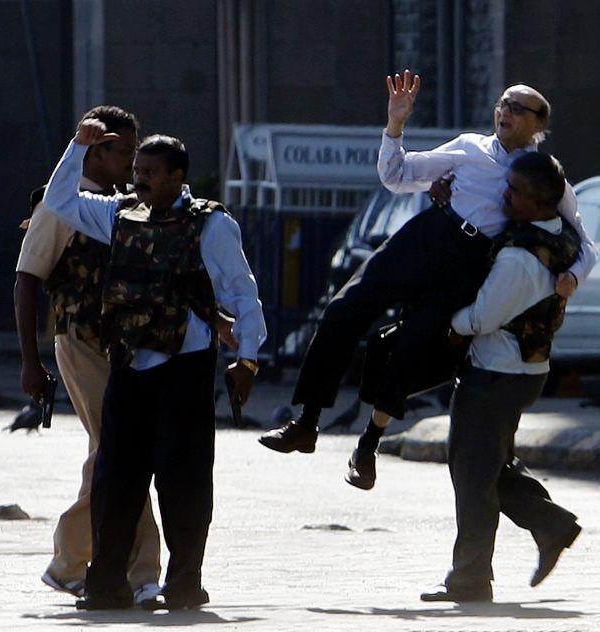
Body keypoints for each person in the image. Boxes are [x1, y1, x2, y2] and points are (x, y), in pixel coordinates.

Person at [259, 71, 597, 489]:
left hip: (470, 265)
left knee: (411, 345)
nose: (504, 111)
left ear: (538, 125)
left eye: (517, 107)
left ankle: (368, 446)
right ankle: (306, 422)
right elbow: (398, 175)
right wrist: (396, 124)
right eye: (502, 103)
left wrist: (572, 276)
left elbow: (584, 242)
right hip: (429, 237)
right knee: (344, 309)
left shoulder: (544, 174)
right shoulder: (468, 146)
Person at [41, 119, 267, 611]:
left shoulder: (212, 225)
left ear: (177, 176)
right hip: (128, 369)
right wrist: (77, 145)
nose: (139, 179)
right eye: (137, 169)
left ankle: (185, 585)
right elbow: (60, 202)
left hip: (184, 371)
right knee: (115, 481)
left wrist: (247, 359)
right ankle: (107, 586)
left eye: (150, 172)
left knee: (183, 483)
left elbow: (242, 294)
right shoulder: (120, 214)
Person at [14, 106, 163, 604]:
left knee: (113, 452)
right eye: (123, 153)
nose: (130, 165)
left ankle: (74, 562)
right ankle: (139, 572)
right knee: (120, 450)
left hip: (122, 345)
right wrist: (30, 362)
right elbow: (27, 278)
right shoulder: (61, 205)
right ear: (95, 151)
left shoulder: (121, 206)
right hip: (78, 340)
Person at [421, 152, 582, 602]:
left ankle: (470, 578)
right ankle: (552, 526)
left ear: (540, 201)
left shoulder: (518, 256)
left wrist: (449, 324)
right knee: (489, 465)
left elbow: (483, 317)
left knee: (473, 475)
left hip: (495, 373)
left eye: (513, 192)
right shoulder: (560, 237)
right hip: (524, 371)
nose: (503, 196)